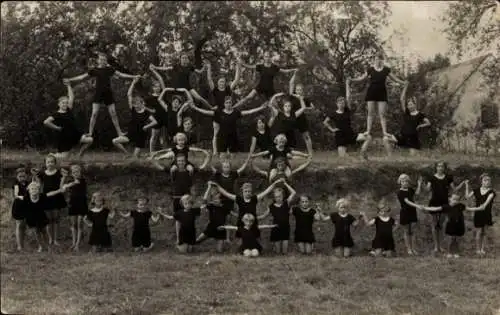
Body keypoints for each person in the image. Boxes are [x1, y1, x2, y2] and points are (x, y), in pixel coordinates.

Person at [64, 52, 141, 138]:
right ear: (98, 60)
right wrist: (70, 80)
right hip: (98, 93)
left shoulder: (110, 69)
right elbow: (82, 77)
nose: (103, 61)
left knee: (113, 113)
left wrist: (133, 77)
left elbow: (121, 74)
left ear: (106, 61)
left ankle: (119, 133)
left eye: (104, 60)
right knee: (94, 113)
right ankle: (90, 132)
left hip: (108, 93)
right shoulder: (94, 70)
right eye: (101, 59)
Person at [347, 52, 406, 145]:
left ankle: (384, 132)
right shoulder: (370, 69)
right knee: (370, 113)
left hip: (382, 93)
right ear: (374, 59)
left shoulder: (386, 69)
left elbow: (395, 79)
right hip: (371, 92)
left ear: (382, 60)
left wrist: (403, 82)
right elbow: (361, 78)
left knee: (382, 114)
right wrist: (352, 80)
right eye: (376, 59)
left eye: (380, 59)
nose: (378, 60)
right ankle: (368, 131)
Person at [189, 95, 269, 156]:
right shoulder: (219, 113)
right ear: (224, 104)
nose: (228, 104)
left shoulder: (236, 112)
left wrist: (261, 108)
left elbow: (249, 112)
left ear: (232, 103)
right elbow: (206, 112)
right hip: (222, 137)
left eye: (230, 102)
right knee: (222, 155)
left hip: (233, 136)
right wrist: (195, 108)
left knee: (233, 155)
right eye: (227, 103)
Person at [417, 193, 491, 258]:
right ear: (450, 199)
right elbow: (435, 209)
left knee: (457, 240)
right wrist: (425, 208)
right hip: (450, 225)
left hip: (459, 225)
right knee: (450, 239)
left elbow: (470, 209)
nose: (455, 201)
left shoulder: (461, 206)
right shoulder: (446, 206)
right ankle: (449, 252)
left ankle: (456, 252)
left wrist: (480, 208)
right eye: (454, 199)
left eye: (457, 199)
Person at [208, 179, 284, 239]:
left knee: (254, 237)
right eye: (246, 191)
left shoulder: (254, 199)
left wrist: (275, 183)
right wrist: (217, 186)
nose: (247, 193)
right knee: (242, 239)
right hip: (242, 222)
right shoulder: (239, 199)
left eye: (249, 191)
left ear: (251, 192)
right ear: (242, 192)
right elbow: (226, 193)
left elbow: (266, 192)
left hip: (252, 222)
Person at [423, 161, 465, 253]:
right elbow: (427, 189)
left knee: (441, 225)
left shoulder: (448, 178)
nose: (440, 168)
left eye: (442, 166)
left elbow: (454, 189)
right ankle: (436, 246)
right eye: (439, 166)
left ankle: (441, 246)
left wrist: (462, 184)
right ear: (436, 167)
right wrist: (421, 184)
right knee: (434, 225)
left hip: (445, 203)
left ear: (444, 168)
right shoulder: (432, 178)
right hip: (434, 202)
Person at [43, 82, 93, 158]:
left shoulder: (68, 110)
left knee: (90, 140)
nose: (65, 104)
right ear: (59, 104)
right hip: (65, 138)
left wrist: (69, 86)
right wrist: (56, 127)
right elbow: (46, 122)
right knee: (64, 157)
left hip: (75, 135)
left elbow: (71, 97)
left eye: (66, 103)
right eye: (63, 103)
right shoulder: (56, 114)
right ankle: (51, 155)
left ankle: (80, 155)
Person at [112, 78, 158, 158]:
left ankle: (142, 156)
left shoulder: (146, 113)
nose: (135, 105)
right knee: (115, 141)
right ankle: (127, 154)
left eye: (137, 104)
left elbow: (155, 122)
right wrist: (133, 82)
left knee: (135, 158)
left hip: (140, 136)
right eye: (134, 104)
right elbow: (129, 94)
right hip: (131, 134)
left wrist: (146, 126)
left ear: (141, 103)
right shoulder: (133, 110)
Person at [206, 59, 244, 154]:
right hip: (218, 112)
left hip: (227, 112)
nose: (222, 83)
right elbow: (209, 79)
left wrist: (238, 67)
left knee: (227, 132)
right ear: (217, 82)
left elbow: (236, 79)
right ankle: (215, 152)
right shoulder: (215, 90)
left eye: (223, 81)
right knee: (216, 132)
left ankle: (228, 151)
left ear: (225, 83)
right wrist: (209, 67)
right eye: (220, 81)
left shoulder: (228, 89)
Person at [323, 80, 366, 158]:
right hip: (340, 136)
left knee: (368, 137)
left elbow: (348, 97)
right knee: (342, 157)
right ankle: (353, 157)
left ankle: (362, 154)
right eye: (340, 103)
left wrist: (347, 84)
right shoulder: (333, 114)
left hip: (350, 134)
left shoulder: (347, 111)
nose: (342, 104)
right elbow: (325, 122)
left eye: (343, 103)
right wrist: (332, 129)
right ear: (337, 104)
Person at [386, 82, 431, 156]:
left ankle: (417, 154)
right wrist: (405, 87)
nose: (409, 106)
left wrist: (420, 126)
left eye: (411, 104)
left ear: (415, 104)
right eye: (408, 105)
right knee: (386, 139)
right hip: (402, 137)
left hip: (412, 139)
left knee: (412, 157)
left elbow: (428, 123)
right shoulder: (407, 113)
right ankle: (390, 156)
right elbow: (402, 99)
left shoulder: (420, 115)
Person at [23, 181, 66, 252]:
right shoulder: (26, 198)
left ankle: (47, 246)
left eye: (36, 188)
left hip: (41, 216)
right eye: (32, 189)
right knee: (36, 231)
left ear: (38, 190)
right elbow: (19, 199)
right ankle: (40, 246)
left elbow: (50, 194)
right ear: (29, 190)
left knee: (44, 231)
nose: (34, 190)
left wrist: (59, 190)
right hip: (32, 217)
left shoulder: (41, 196)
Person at [257, 183, 297, 254]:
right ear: (274, 198)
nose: (278, 198)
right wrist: (256, 218)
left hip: (285, 228)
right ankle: (276, 249)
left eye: (280, 196)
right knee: (278, 252)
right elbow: (264, 215)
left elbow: (294, 192)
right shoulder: (271, 206)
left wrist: (285, 183)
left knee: (284, 252)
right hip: (276, 228)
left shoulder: (286, 203)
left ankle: (281, 251)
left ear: (283, 196)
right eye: (276, 197)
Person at [39, 154, 67, 246]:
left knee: (56, 219)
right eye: (48, 162)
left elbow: (61, 186)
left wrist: (64, 178)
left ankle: (56, 239)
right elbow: (39, 185)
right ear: (45, 163)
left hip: (57, 198)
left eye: (52, 162)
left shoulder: (59, 173)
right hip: (46, 198)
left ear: (55, 163)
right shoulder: (42, 174)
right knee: (48, 219)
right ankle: (50, 238)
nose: (50, 164)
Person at [465, 173, 496, 256]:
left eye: (489, 180)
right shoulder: (476, 190)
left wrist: (469, 209)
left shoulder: (491, 192)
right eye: (485, 180)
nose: (487, 182)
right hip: (478, 214)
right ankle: (477, 250)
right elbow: (467, 197)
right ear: (481, 181)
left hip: (486, 214)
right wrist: (467, 185)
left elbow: (484, 207)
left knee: (485, 232)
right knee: (479, 232)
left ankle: (483, 249)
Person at [195, 185, 231, 253]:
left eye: (217, 199)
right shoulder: (211, 206)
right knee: (197, 240)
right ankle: (190, 246)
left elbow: (227, 223)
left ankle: (220, 247)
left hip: (221, 230)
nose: (215, 200)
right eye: (214, 199)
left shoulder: (225, 208)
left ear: (221, 199)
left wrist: (227, 238)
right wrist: (208, 187)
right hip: (211, 228)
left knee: (220, 251)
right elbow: (204, 200)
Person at [61, 164, 88, 252]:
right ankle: (73, 243)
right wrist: (64, 179)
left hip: (81, 204)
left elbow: (75, 183)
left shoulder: (82, 180)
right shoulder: (70, 181)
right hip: (73, 204)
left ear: (80, 172)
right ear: (71, 173)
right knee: (73, 224)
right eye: (74, 172)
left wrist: (67, 185)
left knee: (80, 224)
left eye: (77, 172)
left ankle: (77, 244)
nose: (76, 173)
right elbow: (62, 188)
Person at [288, 71, 315, 156]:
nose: (298, 91)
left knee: (306, 136)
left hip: (301, 118)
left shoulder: (305, 99)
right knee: (289, 135)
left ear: (302, 91)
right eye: (297, 90)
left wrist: (305, 109)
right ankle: (289, 153)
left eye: (300, 90)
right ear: (295, 90)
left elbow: (313, 107)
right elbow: (291, 83)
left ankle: (310, 153)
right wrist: (294, 74)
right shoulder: (292, 96)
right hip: (292, 117)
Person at [396, 174, 423, 255]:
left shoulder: (410, 189)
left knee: (413, 231)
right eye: (403, 181)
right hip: (405, 212)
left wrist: (419, 184)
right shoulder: (400, 192)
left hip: (412, 212)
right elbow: (407, 201)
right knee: (406, 231)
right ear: (400, 182)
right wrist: (418, 205)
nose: (405, 183)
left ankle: (414, 248)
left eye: (407, 181)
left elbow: (417, 193)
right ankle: (409, 249)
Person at [11, 167, 29, 251]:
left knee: (24, 226)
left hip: (26, 206)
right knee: (19, 225)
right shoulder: (16, 184)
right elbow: (15, 195)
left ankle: (23, 243)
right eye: (20, 176)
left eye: (23, 176)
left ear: (26, 176)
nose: (22, 178)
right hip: (18, 206)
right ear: (17, 177)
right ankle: (19, 246)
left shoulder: (28, 183)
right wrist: (23, 196)